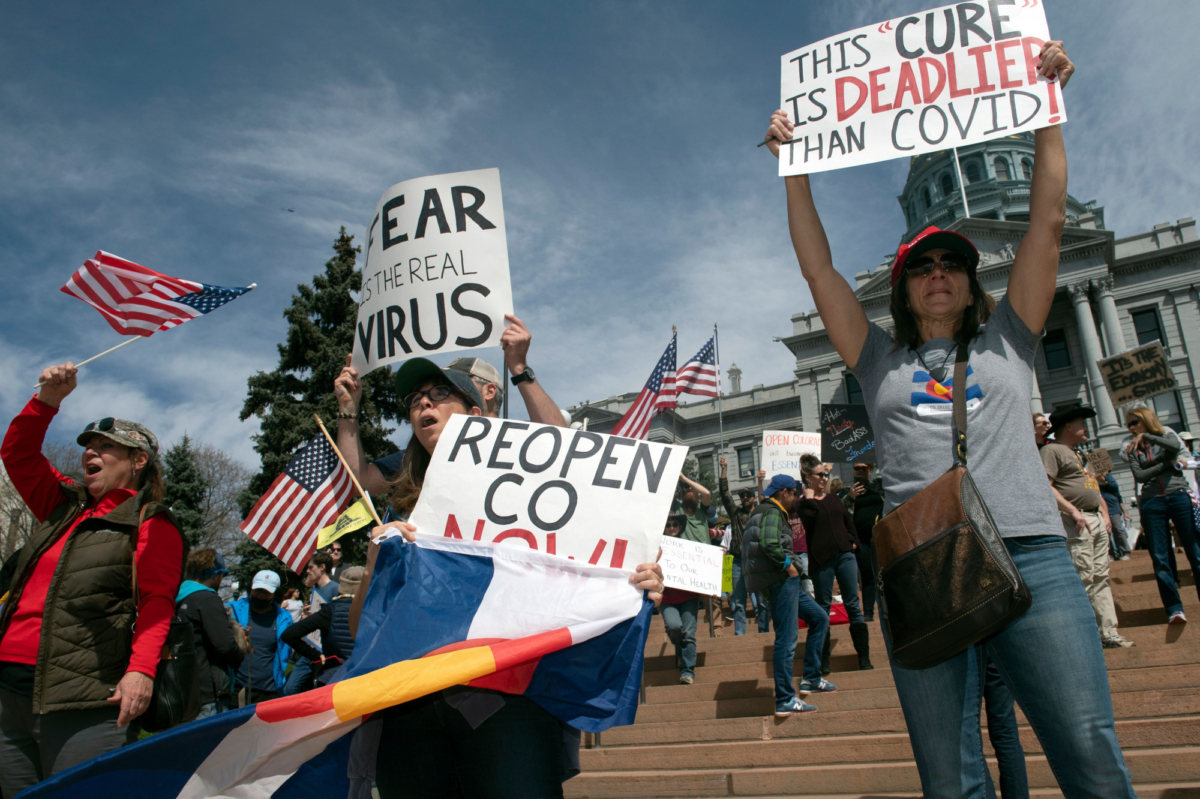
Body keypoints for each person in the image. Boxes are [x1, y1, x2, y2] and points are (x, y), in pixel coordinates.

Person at [764, 42, 1138, 796]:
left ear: (971, 285)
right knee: (949, 773)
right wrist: (793, 165)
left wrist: (1047, 111)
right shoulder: (875, 358)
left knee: (1088, 748)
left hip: (1032, 551)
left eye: (952, 266)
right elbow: (818, 269)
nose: (938, 274)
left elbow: (1048, 221)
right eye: (922, 267)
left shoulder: (1013, 336)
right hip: (922, 564)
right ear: (903, 289)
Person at [341, 356, 665, 798]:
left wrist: (636, 580)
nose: (422, 405)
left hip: (508, 707)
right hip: (408, 711)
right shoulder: (402, 519)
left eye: (438, 394)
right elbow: (361, 630)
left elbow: (588, 557)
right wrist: (378, 560)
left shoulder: (537, 492)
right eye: (414, 400)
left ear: (477, 415)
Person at [0, 364, 185, 796]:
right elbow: (17, 455)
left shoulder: (150, 522)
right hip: (9, 694)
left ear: (139, 461)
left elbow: (157, 601)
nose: (90, 452)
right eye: (88, 446)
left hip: (83, 704)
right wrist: (47, 402)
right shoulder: (62, 506)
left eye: (106, 446)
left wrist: (140, 671)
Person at [335, 313, 567, 495]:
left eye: (444, 389)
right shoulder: (418, 460)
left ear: (488, 392)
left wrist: (518, 367)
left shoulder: (515, 445)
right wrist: (348, 411)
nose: (425, 401)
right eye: (415, 399)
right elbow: (357, 482)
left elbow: (561, 444)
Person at [741, 474, 832, 716]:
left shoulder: (760, 510)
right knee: (787, 639)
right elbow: (769, 544)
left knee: (820, 618)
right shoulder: (773, 511)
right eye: (796, 494)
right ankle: (784, 698)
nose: (797, 498)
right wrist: (789, 567)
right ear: (785, 492)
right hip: (781, 581)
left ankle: (811, 678)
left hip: (779, 581)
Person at [1042, 407, 1133, 648]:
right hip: (1076, 520)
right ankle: (1085, 636)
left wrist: (1103, 513)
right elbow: (1045, 486)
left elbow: (1093, 485)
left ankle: (1108, 632)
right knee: (1084, 576)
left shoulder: (1080, 453)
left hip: (1095, 520)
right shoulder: (1051, 451)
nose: (1086, 427)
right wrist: (1072, 511)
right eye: (1081, 423)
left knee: (1101, 576)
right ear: (1068, 427)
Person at [1124, 406, 1200, 625]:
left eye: (1135, 422)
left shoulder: (1165, 434)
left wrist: (1147, 437)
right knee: (1160, 557)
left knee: (1195, 551)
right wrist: (1167, 464)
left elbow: (1174, 446)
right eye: (1128, 425)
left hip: (1178, 495)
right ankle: (1174, 608)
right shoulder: (1131, 447)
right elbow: (1139, 475)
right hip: (1151, 501)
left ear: (1146, 420)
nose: (1131, 428)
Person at [796, 456, 872, 671]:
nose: (824, 478)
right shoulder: (803, 503)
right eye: (820, 475)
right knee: (823, 608)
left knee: (853, 605)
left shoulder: (833, 499)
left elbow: (848, 522)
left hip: (845, 554)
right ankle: (824, 660)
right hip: (822, 560)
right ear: (808, 478)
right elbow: (808, 515)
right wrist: (810, 497)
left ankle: (864, 657)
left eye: (825, 474)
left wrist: (854, 542)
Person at [177, 549, 245, 719]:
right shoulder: (207, 599)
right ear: (215, 575)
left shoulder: (180, 598)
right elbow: (226, 645)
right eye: (221, 575)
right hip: (208, 692)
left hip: (182, 687)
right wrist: (241, 649)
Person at [281, 566, 364, 687]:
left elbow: (289, 634)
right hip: (366, 678)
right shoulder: (375, 611)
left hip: (334, 679)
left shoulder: (329, 611)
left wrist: (315, 655)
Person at [228, 571, 292, 704]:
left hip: (270, 692)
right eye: (257, 591)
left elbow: (286, 652)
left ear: (275, 594)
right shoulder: (233, 611)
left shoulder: (284, 618)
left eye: (266, 593)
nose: (260, 596)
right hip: (239, 689)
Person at [283, 552, 340, 696]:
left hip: (326, 650)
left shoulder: (335, 589)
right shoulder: (315, 590)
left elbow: (337, 619)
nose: (307, 571)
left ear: (322, 567)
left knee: (320, 692)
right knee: (290, 689)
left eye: (310, 567)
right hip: (310, 649)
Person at [659, 515, 699, 685]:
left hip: (689, 596)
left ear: (681, 527)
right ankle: (682, 652)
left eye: (675, 524)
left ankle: (687, 671)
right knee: (674, 627)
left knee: (689, 634)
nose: (672, 527)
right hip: (667, 597)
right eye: (668, 525)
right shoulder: (657, 549)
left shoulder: (691, 546)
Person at [844, 462, 884, 622]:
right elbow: (841, 510)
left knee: (884, 574)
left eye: (864, 468)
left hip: (880, 538)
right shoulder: (849, 491)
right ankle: (868, 612)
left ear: (871, 469)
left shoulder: (879, 486)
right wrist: (850, 497)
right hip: (861, 540)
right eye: (857, 468)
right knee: (867, 576)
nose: (860, 471)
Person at [1097, 468, 1132, 561]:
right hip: (1101, 509)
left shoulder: (1108, 477)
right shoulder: (1091, 478)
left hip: (1113, 508)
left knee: (1117, 529)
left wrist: (1104, 481)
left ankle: (1126, 551)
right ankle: (1112, 553)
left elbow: (1115, 489)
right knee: (1106, 532)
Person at [675, 474, 712, 545]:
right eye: (686, 486)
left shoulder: (701, 507)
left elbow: (707, 493)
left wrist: (684, 479)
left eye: (692, 486)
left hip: (703, 549)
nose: (690, 488)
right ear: (682, 489)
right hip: (686, 551)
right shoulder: (676, 506)